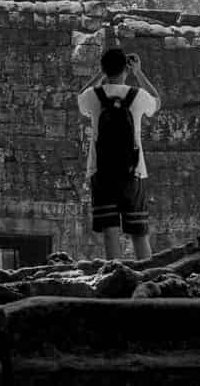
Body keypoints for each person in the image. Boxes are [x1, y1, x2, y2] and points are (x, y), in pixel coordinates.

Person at [78, 45, 160, 261]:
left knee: (110, 232)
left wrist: (100, 74)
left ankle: (115, 279)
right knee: (139, 233)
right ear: (125, 68)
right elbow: (157, 101)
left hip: (101, 171)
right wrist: (139, 72)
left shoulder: (94, 96)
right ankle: (147, 278)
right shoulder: (137, 95)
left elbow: (80, 97)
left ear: (104, 70)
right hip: (134, 171)